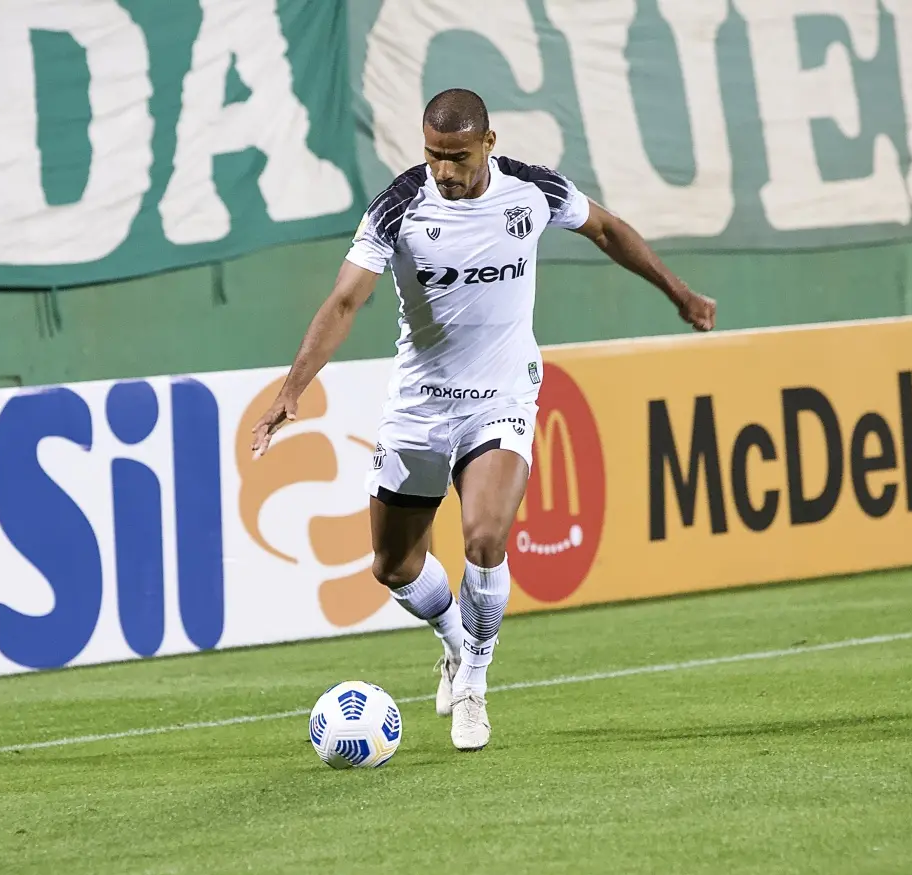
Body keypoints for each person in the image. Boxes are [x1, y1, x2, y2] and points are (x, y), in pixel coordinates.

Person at [251, 88, 715, 751]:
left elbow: (608, 230)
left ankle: (474, 680)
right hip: (419, 404)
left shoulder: (533, 192)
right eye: (433, 155)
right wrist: (294, 387)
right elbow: (347, 299)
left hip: (501, 397)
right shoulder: (398, 206)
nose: (444, 170)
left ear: (488, 143)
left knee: (485, 537)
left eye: (458, 157)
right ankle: (451, 640)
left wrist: (681, 292)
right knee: (394, 564)